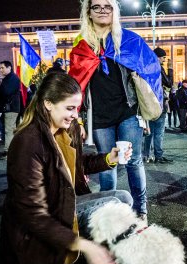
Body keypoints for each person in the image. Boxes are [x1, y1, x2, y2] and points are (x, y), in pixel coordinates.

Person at [0, 72, 133, 264]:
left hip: (66, 204)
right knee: (116, 205)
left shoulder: (66, 129)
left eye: (78, 108)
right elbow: (32, 214)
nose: (76, 115)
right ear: (48, 104)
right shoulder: (28, 142)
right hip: (46, 220)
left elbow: (79, 165)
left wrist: (109, 158)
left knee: (122, 197)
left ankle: (93, 250)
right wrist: (85, 245)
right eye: (70, 108)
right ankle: (83, 251)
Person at [68, 0, 162, 220]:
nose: (102, 11)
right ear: (88, 13)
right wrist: (79, 119)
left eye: (107, 6)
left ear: (114, 12)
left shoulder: (128, 40)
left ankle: (140, 210)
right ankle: (108, 214)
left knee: (133, 161)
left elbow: (151, 67)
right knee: (106, 164)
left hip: (128, 112)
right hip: (99, 116)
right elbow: (74, 87)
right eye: (96, 7)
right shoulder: (81, 47)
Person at [142, 47, 174, 164]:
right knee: (159, 132)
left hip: (149, 103)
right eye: (163, 57)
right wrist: (170, 69)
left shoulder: (146, 67)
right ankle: (158, 155)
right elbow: (169, 83)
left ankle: (146, 155)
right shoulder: (158, 68)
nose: (164, 60)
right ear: (157, 57)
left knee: (149, 131)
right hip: (159, 103)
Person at [0, 60, 22, 159]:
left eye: (2, 67)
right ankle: (14, 150)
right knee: (11, 129)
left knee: (9, 130)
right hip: (10, 107)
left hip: (11, 108)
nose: (1, 70)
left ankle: (8, 152)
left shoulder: (12, 78)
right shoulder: (8, 78)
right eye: (0, 68)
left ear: (9, 68)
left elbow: (6, 91)